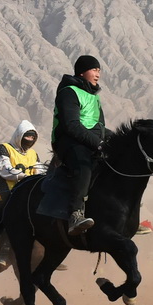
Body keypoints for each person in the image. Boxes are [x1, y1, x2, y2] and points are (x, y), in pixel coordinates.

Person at [52, 55, 105, 235]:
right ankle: (75, 214)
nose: (98, 74)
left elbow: (100, 127)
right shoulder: (69, 92)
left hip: (89, 141)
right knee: (84, 166)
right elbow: (71, 125)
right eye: (94, 69)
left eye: (99, 70)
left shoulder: (94, 97)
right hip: (69, 142)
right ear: (82, 72)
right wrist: (98, 144)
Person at [0, 120, 46, 202]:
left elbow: (39, 171)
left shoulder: (33, 154)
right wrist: (24, 177)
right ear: (20, 136)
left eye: (33, 138)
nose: (30, 140)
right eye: (28, 137)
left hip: (29, 188)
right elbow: (5, 170)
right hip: (9, 190)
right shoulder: (4, 148)